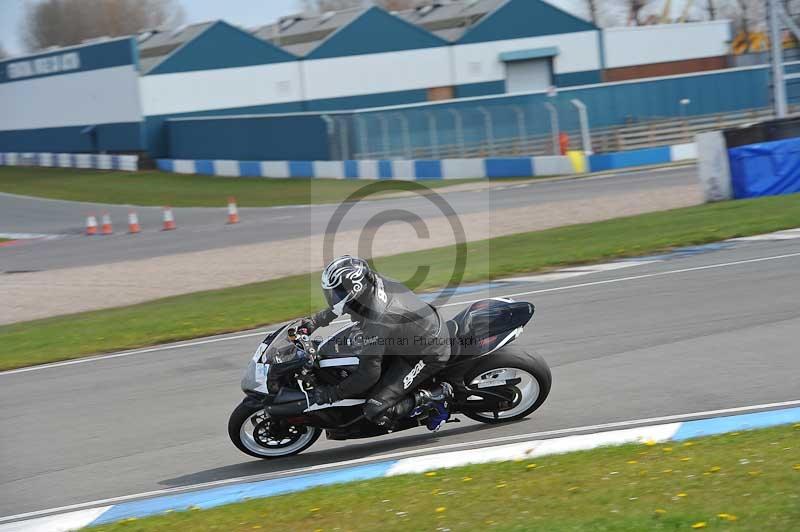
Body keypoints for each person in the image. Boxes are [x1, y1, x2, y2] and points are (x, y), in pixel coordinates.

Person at [299, 255, 452, 432]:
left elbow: (368, 374)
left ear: (355, 288)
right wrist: (315, 321)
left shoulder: (377, 319)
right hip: (414, 332)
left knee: (376, 409)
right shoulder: (371, 283)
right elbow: (346, 304)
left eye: (337, 291)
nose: (333, 296)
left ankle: (437, 397)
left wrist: (331, 394)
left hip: (428, 352)